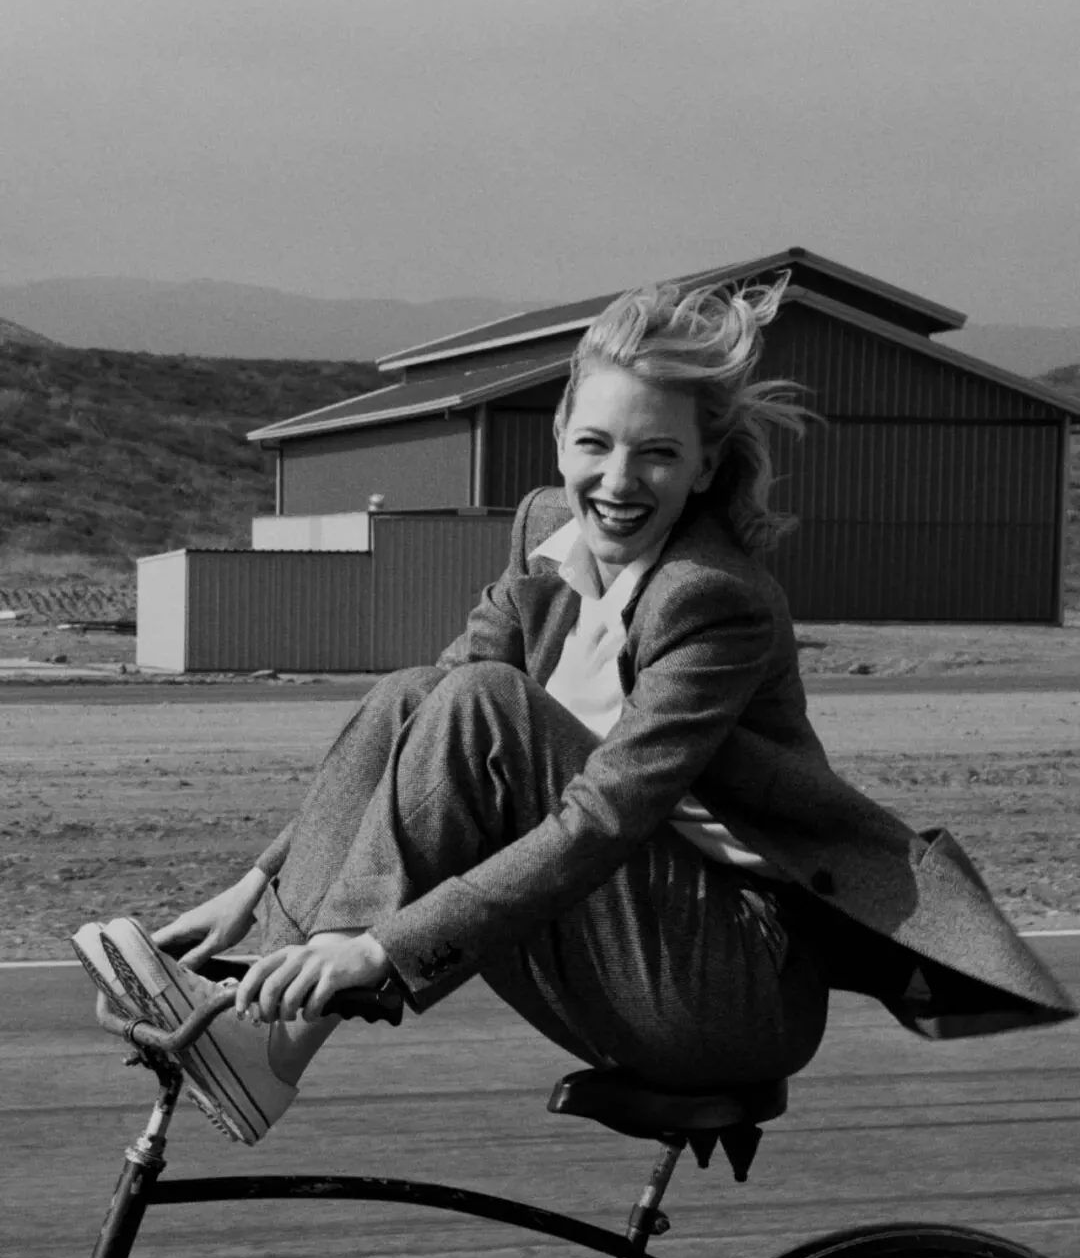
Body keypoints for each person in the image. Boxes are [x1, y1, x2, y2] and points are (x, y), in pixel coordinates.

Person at [73, 280, 1074, 1145]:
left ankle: (275, 1043)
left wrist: (377, 950)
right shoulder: (546, 531)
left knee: (487, 707)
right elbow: (420, 721)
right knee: (418, 692)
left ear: (704, 466)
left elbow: (603, 818)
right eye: (594, 444)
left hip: (729, 983)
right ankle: (258, 982)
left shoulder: (713, 599)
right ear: (559, 437)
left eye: (657, 453)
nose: (618, 481)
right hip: (622, 940)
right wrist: (259, 882)